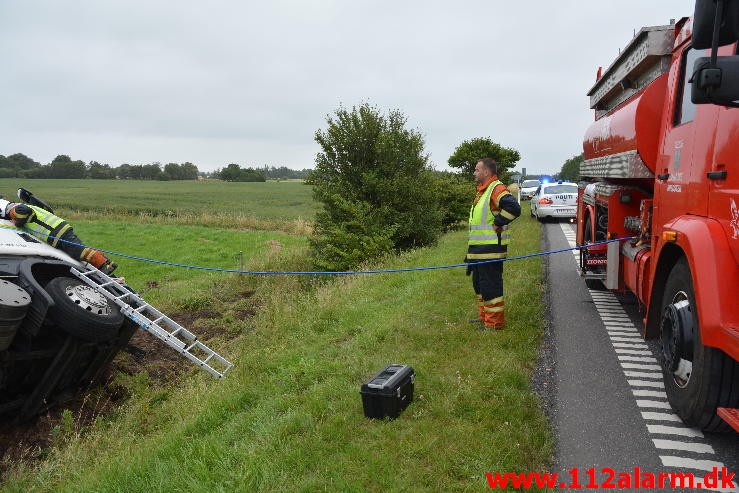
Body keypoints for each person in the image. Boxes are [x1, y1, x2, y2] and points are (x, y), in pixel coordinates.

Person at [465, 158, 521, 330]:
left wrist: (499, 222)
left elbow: (514, 207)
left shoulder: (496, 189)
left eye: (476, 170)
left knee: (491, 287)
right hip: (479, 251)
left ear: (486, 172)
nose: (474, 173)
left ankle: (494, 323)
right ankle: (485, 318)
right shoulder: (483, 191)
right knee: (480, 285)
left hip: (490, 251)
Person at [0, 198, 118, 274]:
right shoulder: (20, 205)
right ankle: (107, 263)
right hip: (57, 230)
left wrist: (18, 223)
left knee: (78, 251)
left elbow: (23, 211)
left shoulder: (14, 208)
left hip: (56, 231)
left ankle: (104, 265)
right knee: (77, 251)